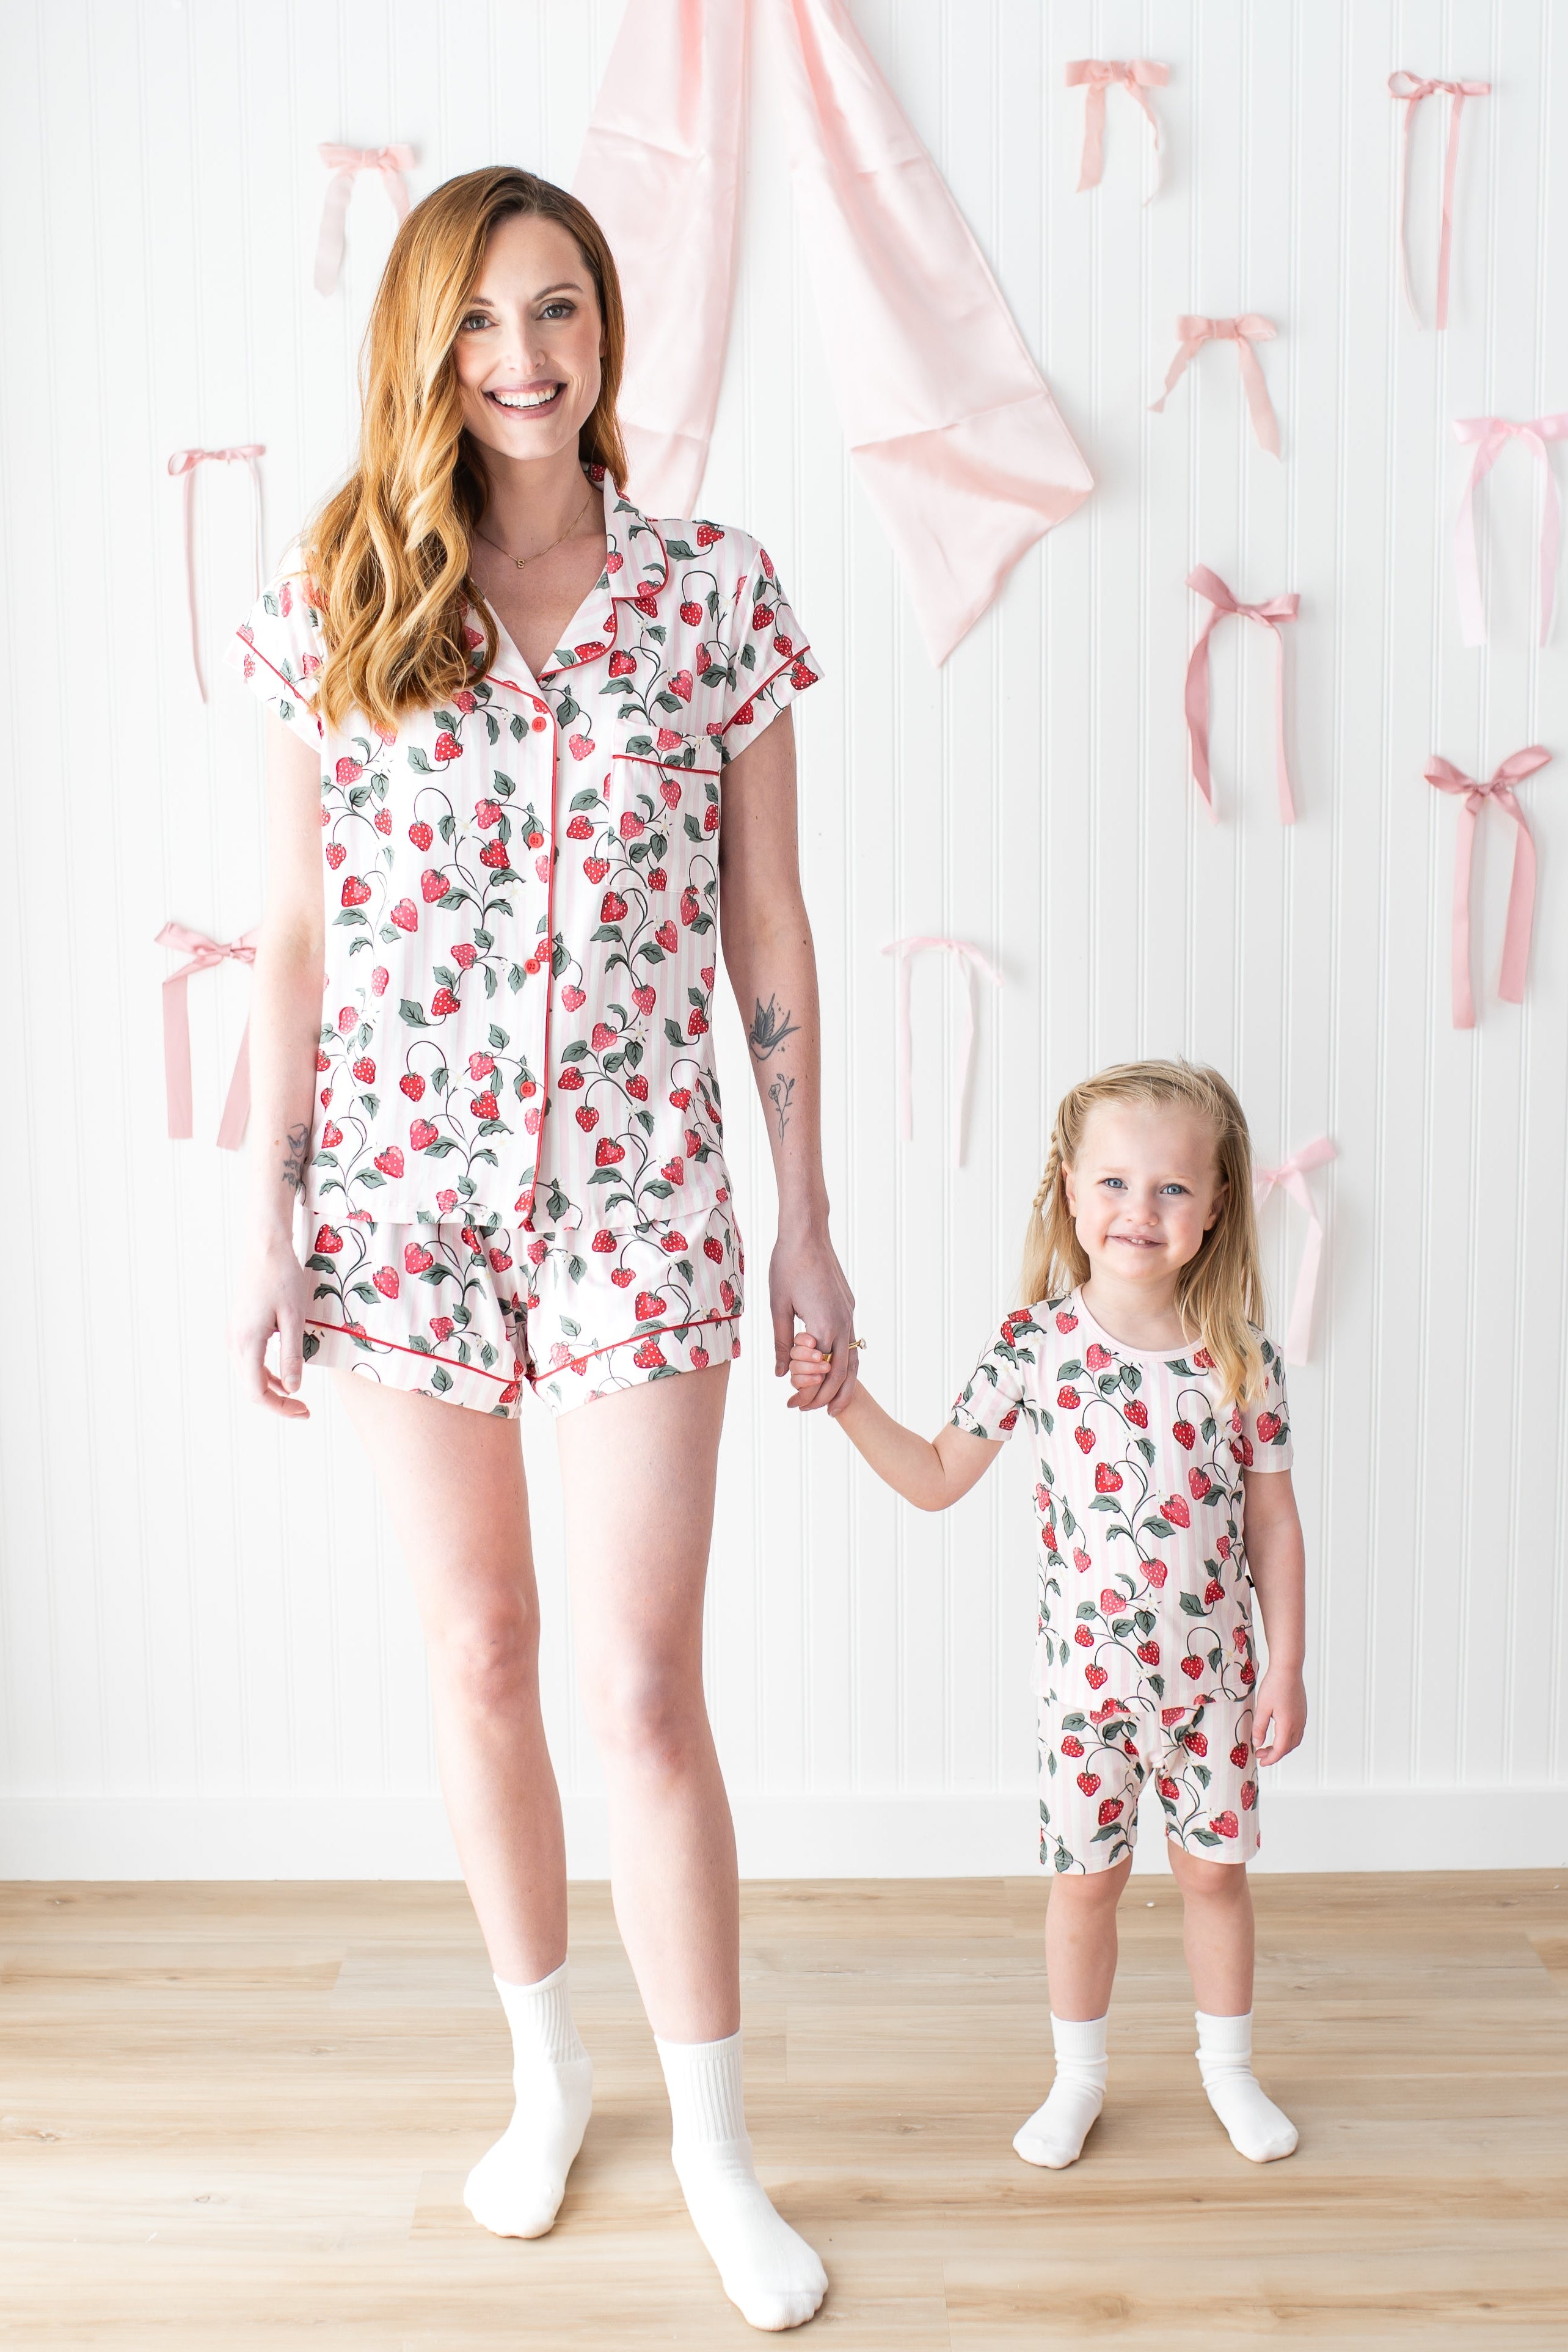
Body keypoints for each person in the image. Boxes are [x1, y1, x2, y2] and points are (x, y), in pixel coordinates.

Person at [228, 165, 856, 2334]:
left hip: (641, 1193)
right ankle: (546, 2077)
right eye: (484, 319)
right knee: (480, 1654)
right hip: (398, 1203)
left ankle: (714, 2145)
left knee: (639, 1687)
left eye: (561, 308)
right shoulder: (337, 592)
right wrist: (267, 1223)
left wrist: (806, 1220)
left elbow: (767, 926)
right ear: (427, 345)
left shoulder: (713, 592)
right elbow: (293, 933)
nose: (525, 357)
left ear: (606, 329)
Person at [789, 1060, 1307, 2171]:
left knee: (1215, 1878)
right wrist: (846, 1398)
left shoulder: (1243, 1357)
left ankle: (1229, 2070)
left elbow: (1274, 1524)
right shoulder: (1038, 1346)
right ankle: (1079, 2077)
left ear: (1217, 1206)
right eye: (1114, 1181)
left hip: (1215, 1690)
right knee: (1087, 1886)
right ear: (1070, 1191)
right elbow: (937, 1474)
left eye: (1173, 1186)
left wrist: (1286, 1666)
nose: (1140, 1209)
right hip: (1087, 1696)